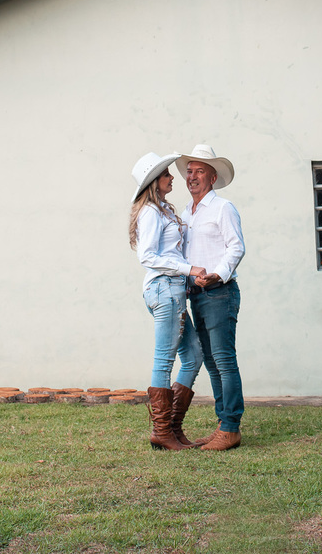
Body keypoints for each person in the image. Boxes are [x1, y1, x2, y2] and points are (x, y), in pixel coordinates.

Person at [129, 151, 206, 451]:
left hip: (173, 288)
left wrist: (189, 277)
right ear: (154, 182)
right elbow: (147, 256)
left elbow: (170, 253)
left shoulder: (162, 210)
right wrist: (189, 270)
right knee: (164, 361)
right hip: (164, 289)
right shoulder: (150, 211)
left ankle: (172, 428)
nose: (173, 177)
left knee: (194, 354)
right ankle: (162, 432)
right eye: (166, 175)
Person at [177, 144, 246, 451]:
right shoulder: (185, 213)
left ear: (213, 177)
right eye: (189, 171)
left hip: (219, 293)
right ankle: (223, 425)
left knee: (224, 360)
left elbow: (236, 247)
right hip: (196, 295)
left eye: (199, 171)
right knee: (213, 364)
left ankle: (231, 427)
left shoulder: (223, 208)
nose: (192, 177)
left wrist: (218, 273)